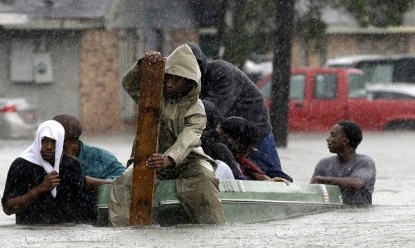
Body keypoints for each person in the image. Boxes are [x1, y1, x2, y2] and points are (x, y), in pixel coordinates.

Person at [108, 44, 226, 226]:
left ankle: (213, 230)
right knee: (124, 182)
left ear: (188, 82)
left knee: (206, 177)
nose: (170, 83)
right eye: (167, 78)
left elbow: (188, 139)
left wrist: (169, 158)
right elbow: (128, 84)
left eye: (176, 80)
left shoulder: (197, 109)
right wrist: (143, 64)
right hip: (149, 158)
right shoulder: (151, 95)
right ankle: (124, 234)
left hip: (188, 161)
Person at [187, 43, 292, 182]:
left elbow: (213, 111)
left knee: (275, 178)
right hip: (225, 135)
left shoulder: (221, 72)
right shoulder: (184, 83)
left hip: (252, 131)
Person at [1, 120, 94, 224]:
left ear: (61, 143)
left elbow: (76, 203)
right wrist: (39, 189)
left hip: (66, 232)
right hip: (31, 231)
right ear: (38, 141)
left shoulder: (71, 165)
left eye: (53, 142)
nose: (48, 147)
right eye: (44, 141)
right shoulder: (21, 165)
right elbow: (7, 208)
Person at [311, 121, 376, 205]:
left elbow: (357, 184)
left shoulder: (365, 162)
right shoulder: (323, 164)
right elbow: (311, 192)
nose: (328, 139)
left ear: (344, 141)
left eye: (333, 135)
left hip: (358, 214)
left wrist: (322, 180)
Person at [52, 114, 125, 188]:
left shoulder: (100, 158)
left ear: (73, 143)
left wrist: (99, 186)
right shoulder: (45, 157)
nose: (50, 147)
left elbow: (123, 179)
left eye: (56, 143)